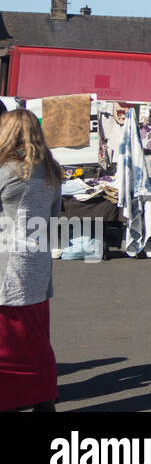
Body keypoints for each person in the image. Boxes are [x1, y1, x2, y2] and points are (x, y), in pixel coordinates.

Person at [0, 109, 63, 412]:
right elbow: (54, 219)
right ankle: (43, 399)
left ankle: (11, 399)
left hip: (7, 265)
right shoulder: (52, 170)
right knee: (36, 341)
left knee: (7, 343)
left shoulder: (6, 170)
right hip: (38, 264)